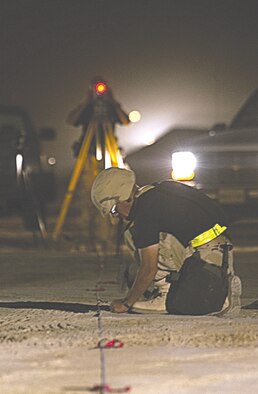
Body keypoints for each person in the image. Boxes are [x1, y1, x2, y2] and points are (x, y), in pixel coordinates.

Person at [91, 167, 242, 315]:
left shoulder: (145, 213)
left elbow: (149, 268)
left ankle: (166, 292)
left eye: (113, 210)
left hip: (203, 256)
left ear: (124, 197)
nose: (115, 216)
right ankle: (222, 284)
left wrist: (126, 303)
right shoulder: (162, 189)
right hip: (220, 253)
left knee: (132, 234)